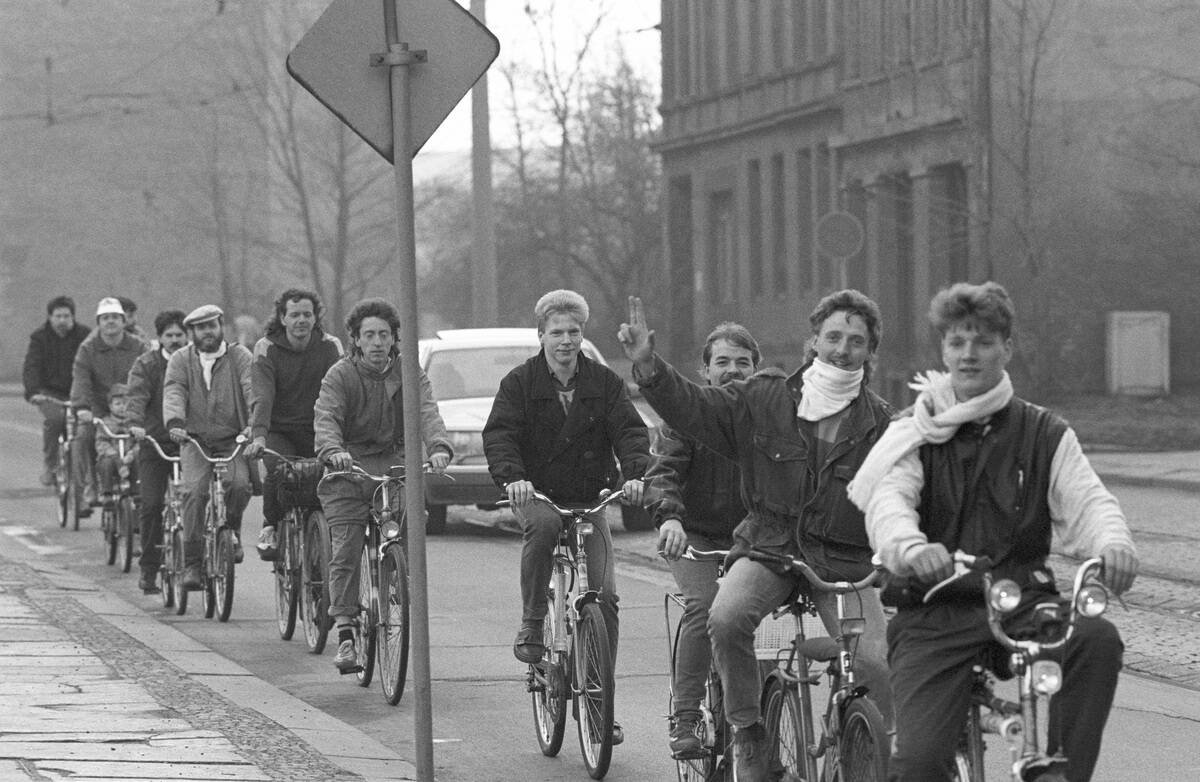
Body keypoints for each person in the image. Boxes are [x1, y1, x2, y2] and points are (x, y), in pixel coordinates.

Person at [850, 281, 1138, 782]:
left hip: (1020, 600)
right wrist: (913, 548)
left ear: (1006, 348)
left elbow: (1089, 501)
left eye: (983, 342)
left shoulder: (1044, 433)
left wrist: (1113, 544)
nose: (968, 355)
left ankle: (1061, 772)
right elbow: (888, 502)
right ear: (943, 349)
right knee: (918, 765)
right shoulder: (916, 431)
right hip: (934, 609)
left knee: (1095, 639)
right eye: (957, 343)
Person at [619, 290, 895, 782]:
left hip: (844, 560)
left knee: (875, 659)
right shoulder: (765, 397)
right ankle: (747, 732)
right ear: (814, 341)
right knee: (723, 618)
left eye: (856, 340)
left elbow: (900, 498)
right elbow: (696, 409)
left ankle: (868, 750)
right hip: (770, 546)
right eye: (833, 336)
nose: (842, 349)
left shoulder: (881, 423)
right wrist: (649, 367)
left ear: (870, 351)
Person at [484, 289, 649, 745]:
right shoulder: (520, 383)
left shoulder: (604, 383)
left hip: (589, 495)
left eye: (573, 332)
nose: (565, 340)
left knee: (605, 596)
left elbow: (630, 431)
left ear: (583, 335)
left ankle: (600, 700)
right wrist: (513, 479)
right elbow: (500, 436)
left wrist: (634, 475)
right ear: (541, 336)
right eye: (556, 332)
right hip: (537, 492)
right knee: (543, 526)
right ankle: (534, 619)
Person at [313, 298, 453, 672]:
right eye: (369, 335)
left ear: (395, 339)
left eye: (384, 335)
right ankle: (345, 633)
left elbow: (427, 410)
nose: (377, 342)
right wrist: (333, 450)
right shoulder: (339, 375)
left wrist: (438, 447)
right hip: (349, 464)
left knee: (412, 519)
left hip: (394, 459)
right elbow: (327, 417)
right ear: (355, 340)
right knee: (345, 547)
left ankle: (396, 585)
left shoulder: (409, 372)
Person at [648, 322, 759, 759]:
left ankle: (765, 699)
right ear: (706, 370)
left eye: (743, 363)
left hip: (752, 536)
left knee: (767, 611)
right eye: (723, 362)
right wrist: (670, 519)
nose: (733, 370)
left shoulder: (773, 417)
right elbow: (664, 472)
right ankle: (687, 715)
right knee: (704, 604)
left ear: (757, 369)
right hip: (693, 532)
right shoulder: (686, 416)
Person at [244, 288, 342, 560]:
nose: (301, 320)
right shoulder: (267, 348)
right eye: (295, 314)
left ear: (315, 318)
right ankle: (271, 526)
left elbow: (340, 390)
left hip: (318, 430)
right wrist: (259, 437)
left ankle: (325, 537)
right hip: (280, 430)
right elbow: (262, 396)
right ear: (282, 318)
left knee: (329, 477)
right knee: (278, 472)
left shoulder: (330, 346)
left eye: (307, 315)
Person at [164, 305, 254, 589]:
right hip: (194, 440)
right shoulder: (181, 359)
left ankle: (232, 530)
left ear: (221, 327)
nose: (207, 332)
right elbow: (174, 390)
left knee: (239, 484)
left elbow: (253, 389)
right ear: (192, 332)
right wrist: (175, 422)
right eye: (201, 328)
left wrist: (254, 424)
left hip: (232, 439)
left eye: (212, 326)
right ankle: (192, 562)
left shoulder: (239, 356)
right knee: (193, 492)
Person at [127, 309, 189, 594]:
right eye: (169, 335)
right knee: (151, 505)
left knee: (198, 500)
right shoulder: (146, 364)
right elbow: (137, 396)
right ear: (160, 338)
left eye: (179, 335)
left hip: (190, 443)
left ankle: (200, 557)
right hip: (153, 443)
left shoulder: (193, 362)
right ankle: (149, 568)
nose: (175, 340)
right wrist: (136, 424)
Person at [70, 297, 150, 513]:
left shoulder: (139, 346)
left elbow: (151, 376)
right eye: (105, 318)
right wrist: (82, 408)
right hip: (98, 409)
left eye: (115, 317)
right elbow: (81, 380)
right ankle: (91, 487)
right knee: (84, 435)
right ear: (99, 323)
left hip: (133, 408)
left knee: (149, 438)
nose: (111, 322)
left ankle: (145, 488)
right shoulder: (87, 349)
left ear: (124, 321)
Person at [23, 295, 90, 486]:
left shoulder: (84, 336)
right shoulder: (39, 338)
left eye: (66, 316)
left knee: (85, 429)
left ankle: (86, 476)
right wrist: (34, 391)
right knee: (55, 421)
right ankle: (50, 465)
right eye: (58, 316)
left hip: (78, 392)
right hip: (50, 393)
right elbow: (31, 366)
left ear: (73, 317)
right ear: (50, 317)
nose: (62, 320)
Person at [94, 383, 136, 504]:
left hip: (129, 456)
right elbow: (101, 441)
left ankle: (137, 491)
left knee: (140, 462)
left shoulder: (133, 422)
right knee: (105, 464)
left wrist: (132, 453)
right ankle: (107, 493)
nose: (122, 407)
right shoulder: (105, 423)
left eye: (125, 403)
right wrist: (111, 453)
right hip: (112, 456)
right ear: (110, 406)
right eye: (118, 404)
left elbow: (138, 442)